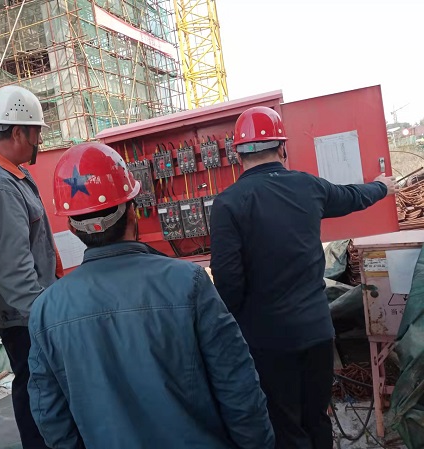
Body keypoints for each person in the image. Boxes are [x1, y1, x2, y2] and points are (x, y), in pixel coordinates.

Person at [27, 142, 274, 449]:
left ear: (72, 228)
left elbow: (50, 415)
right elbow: (238, 386)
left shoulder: (46, 310)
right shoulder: (189, 283)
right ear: (133, 212)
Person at [209, 106, 398, 449]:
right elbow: (354, 196)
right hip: (316, 333)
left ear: (238, 155)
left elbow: (228, 284)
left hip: (267, 341)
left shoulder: (227, 204)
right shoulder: (308, 187)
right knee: (317, 417)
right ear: (282, 148)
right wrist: (381, 187)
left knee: (285, 423)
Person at [0, 85, 61, 449]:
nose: (40, 141)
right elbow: (13, 273)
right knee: (37, 386)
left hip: (25, 311)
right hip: (24, 316)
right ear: (19, 132)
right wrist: (47, 319)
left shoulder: (8, 172)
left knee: (34, 382)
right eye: (37, 133)